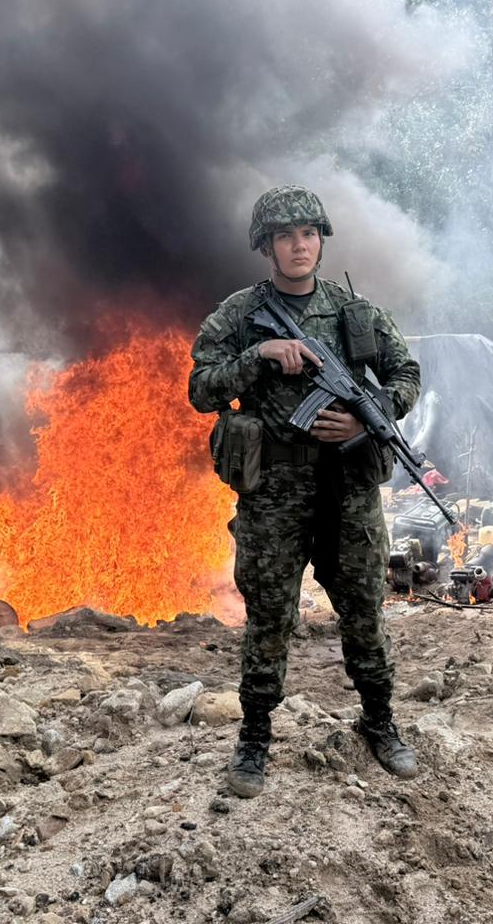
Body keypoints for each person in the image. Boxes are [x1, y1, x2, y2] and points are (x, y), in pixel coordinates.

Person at [188, 184, 421, 798]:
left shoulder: (355, 311)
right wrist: (260, 355)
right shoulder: (239, 316)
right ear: (266, 245)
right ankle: (255, 738)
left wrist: (366, 413)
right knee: (269, 616)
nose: (300, 245)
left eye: (309, 233)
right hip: (274, 494)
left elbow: (405, 373)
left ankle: (380, 722)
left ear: (321, 240)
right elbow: (201, 389)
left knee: (365, 611)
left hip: (347, 487)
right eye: (286, 235)